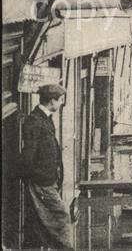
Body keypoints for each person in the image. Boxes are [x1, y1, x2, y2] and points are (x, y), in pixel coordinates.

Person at [18, 84, 73, 250]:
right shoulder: (35, 121)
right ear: (51, 101)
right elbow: (28, 155)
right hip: (43, 182)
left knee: (42, 218)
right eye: (61, 100)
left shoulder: (44, 118)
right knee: (61, 215)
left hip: (48, 180)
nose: (62, 103)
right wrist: (38, 177)